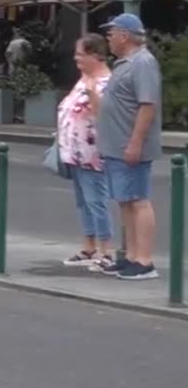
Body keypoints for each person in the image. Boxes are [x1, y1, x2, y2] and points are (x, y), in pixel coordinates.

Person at [95, 13, 162, 281]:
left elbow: (147, 105)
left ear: (124, 35)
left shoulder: (143, 63)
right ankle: (132, 256)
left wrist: (135, 142)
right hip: (117, 145)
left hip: (129, 145)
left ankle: (144, 260)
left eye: (110, 35)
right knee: (125, 200)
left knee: (138, 200)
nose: (108, 40)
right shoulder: (125, 63)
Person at [55, 33, 113, 268]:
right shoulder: (84, 78)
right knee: (83, 201)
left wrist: (91, 92)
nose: (75, 58)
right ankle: (88, 246)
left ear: (95, 55)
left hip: (93, 153)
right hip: (75, 152)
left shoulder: (106, 83)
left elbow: (105, 116)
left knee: (96, 200)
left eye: (80, 54)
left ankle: (106, 251)